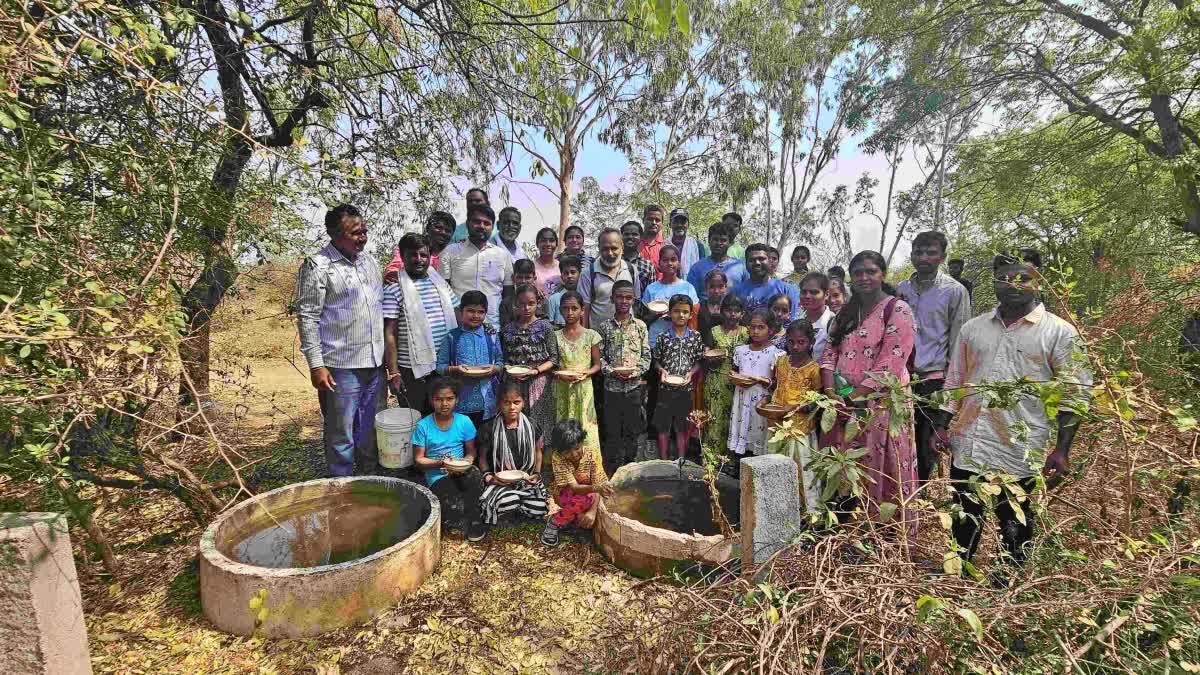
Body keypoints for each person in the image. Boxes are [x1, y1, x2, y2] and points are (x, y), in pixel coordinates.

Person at [936, 252, 1090, 569]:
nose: (1013, 284)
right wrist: (941, 425)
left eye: (1023, 277)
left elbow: (1074, 394)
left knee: (1015, 516)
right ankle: (957, 569)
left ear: (1038, 280)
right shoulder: (973, 329)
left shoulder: (1060, 333)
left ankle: (1010, 578)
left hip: (1019, 445)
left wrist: (1062, 450)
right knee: (964, 510)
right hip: (970, 439)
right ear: (995, 279)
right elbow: (956, 380)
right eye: (1005, 277)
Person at [820, 251, 917, 543]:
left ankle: (888, 539)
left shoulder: (897, 310)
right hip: (843, 407)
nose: (863, 277)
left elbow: (891, 362)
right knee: (849, 469)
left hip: (882, 406)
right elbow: (829, 354)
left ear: (882, 274)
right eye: (858, 272)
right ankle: (850, 536)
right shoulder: (844, 314)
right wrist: (831, 394)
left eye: (870, 271)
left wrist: (856, 396)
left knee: (884, 469)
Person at [296, 204, 384, 477]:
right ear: (335, 235)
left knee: (369, 430)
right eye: (355, 233)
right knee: (341, 435)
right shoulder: (318, 266)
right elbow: (307, 317)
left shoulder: (370, 261)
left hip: (375, 364)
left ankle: (369, 481)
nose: (362, 238)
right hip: (340, 366)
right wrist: (316, 365)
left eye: (365, 231)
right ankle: (341, 489)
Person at [896, 231, 973, 482]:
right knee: (900, 441)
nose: (924, 258)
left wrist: (951, 392)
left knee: (926, 444)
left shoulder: (955, 291)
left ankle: (917, 499)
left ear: (942, 257)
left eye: (931, 253)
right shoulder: (902, 289)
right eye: (919, 252)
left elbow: (958, 344)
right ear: (911, 255)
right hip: (901, 380)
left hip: (934, 378)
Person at [383, 232, 460, 415]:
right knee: (417, 418)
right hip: (412, 370)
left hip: (442, 365)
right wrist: (394, 373)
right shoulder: (393, 289)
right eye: (413, 255)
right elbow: (389, 333)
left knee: (443, 417)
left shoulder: (441, 285)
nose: (419, 260)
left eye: (423, 255)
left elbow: (458, 316)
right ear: (403, 257)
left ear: (430, 256)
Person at [412, 378, 487, 541]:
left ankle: (474, 519)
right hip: (437, 475)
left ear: (456, 400)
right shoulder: (423, 426)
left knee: (473, 475)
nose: (444, 404)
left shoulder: (464, 422)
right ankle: (457, 516)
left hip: (461, 471)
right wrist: (441, 463)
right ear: (432, 400)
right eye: (439, 399)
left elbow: (471, 452)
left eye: (449, 399)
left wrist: (463, 463)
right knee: (453, 507)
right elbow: (418, 460)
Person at [767, 319, 824, 513]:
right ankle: (778, 508)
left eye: (801, 342)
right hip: (776, 425)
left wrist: (793, 407)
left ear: (811, 343)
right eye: (791, 342)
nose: (796, 346)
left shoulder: (813, 369)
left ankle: (807, 513)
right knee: (776, 466)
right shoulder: (782, 361)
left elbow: (816, 401)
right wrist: (764, 401)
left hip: (800, 430)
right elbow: (775, 386)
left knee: (802, 471)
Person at [597, 280, 651, 473]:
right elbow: (599, 359)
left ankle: (630, 469)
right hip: (612, 388)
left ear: (634, 300)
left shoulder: (640, 327)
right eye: (619, 297)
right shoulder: (604, 328)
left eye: (628, 297)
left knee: (632, 430)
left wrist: (635, 372)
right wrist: (612, 371)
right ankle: (612, 470)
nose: (624, 301)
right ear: (612, 299)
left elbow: (646, 356)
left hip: (634, 389)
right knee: (612, 431)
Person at [477, 384, 551, 526]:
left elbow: (537, 451)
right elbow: (482, 457)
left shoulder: (531, 425)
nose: (512, 407)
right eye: (507, 402)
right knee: (508, 501)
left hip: (526, 479)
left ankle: (520, 506)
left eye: (516, 402)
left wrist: (536, 473)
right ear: (500, 404)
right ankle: (512, 506)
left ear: (523, 403)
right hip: (501, 481)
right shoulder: (489, 428)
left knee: (540, 508)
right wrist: (489, 477)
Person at [439, 203, 513, 330]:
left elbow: (508, 295)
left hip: (493, 329)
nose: (482, 226)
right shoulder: (450, 252)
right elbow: (443, 292)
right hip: (458, 328)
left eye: (487, 223)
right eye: (477, 222)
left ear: (492, 227)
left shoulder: (503, 255)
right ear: (468, 224)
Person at [436, 291, 503, 428]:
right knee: (464, 440)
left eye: (481, 312)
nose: (476, 316)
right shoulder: (452, 337)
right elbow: (440, 366)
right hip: (461, 402)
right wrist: (455, 370)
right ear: (461, 311)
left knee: (484, 441)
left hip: (487, 402)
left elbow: (500, 361)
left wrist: (494, 369)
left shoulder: (491, 336)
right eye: (471, 311)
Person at [541, 420, 612, 547]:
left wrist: (592, 512)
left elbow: (600, 483)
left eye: (577, 448)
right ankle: (555, 521)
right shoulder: (558, 457)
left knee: (600, 498)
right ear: (559, 451)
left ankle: (572, 518)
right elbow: (574, 488)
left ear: (582, 442)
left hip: (590, 492)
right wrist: (597, 490)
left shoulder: (592, 454)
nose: (574, 455)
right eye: (567, 452)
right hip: (564, 493)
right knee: (587, 499)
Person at [499, 284, 558, 434]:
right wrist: (507, 368)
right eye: (522, 304)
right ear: (515, 305)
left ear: (538, 303)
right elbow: (505, 357)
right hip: (514, 383)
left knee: (540, 426)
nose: (526, 308)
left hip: (539, 383)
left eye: (531, 303)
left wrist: (536, 371)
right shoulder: (508, 329)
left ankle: (540, 456)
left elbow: (553, 358)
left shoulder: (545, 327)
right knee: (516, 424)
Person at [652, 294, 705, 460]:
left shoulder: (695, 337)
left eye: (685, 312)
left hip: (685, 390)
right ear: (669, 313)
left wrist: (691, 373)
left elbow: (699, 361)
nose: (680, 315)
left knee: (682, 428)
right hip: (665, 390)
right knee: (663, 427)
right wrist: (662, 371)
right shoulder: (663, 337)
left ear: (690, 315)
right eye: (676, 311)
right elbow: (656, 361)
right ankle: (664, 461)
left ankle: (681, 460)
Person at [553, 291, 603, 462]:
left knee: (586, 425)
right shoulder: (555, 336)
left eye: (574, 308)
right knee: (564, 425)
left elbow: (597, 365)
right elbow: (553, 364)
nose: (570, 313)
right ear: (560, 310)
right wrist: (559, 374)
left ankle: (589, 467)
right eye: (566, 308)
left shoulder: (591, 335)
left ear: (583, 310)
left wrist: (585, 373)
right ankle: (564, 468)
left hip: (583, 388)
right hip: (563, 388)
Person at [700, 294, 748, 465]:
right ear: (722, 311)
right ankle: (710, 459)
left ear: (742, 313)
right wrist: (711, 357)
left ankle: (730, 462)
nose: (732, 315)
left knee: (734, 420)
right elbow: (705, 353)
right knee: (714, 419)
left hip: (738, 383)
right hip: (716, 381)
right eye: (729, 310)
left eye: (737, 311)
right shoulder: (714, 331)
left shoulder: (746, 333)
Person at [729, 310, 784, 457]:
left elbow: (778, 384)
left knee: (759, 431)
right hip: (742, 397)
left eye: (761, 327)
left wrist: (761, 381)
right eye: (752, 327)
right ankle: (740, 463)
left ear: (771, 329)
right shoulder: (740, 351)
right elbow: (734, 372)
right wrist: (735, 378)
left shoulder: (776, 354)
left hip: (762, 401)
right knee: (743, 427)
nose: (755, 331)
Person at [578, 228, 641, 328]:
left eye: (614, 248)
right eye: (605, 249)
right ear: (599, 248)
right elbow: (584, 309)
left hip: (627, 336)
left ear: (622, 247)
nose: (610, 253)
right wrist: (586, 339)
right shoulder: (588, 273)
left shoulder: (631, 270)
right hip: (598, 337)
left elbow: (636, 302)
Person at [643, 244, 700, 346]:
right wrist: (656, 315)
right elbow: (644, 319)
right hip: (656, 339)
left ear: (679, 263)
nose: (669, 263)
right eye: (665, 260)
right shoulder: (651, 289)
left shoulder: (687, 288)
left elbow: (693, 317)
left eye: (673, 260)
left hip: (682, 341)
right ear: (659, 263)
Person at [732, 244, 800, 322]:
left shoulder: (787, 290)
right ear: (746, 264)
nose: (757, 263)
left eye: (761, 259)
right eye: (751, 260)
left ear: (769, 261)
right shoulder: (736, 292)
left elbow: (792, 321)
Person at [385, 211, 456, 282]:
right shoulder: (411, 245)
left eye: (448, 231)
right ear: (428, 228)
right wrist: (392, 275)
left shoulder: (454, 254)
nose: (443, 232)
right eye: (438, 227)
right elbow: (395, 266)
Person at [687, 222, 748, 299]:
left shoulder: (739, 267)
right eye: (715, 239)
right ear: (709, 241)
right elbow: (691, 298)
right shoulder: (697, 268)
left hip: (732, 310)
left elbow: (747, 293)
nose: (719, 243)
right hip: (704, 310)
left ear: (729, 243)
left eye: (723, 240)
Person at [796, 272, 836, 361]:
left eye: (814, 292)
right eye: (804, 292)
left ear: (826, 294)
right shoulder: (797, 321)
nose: (807, 296)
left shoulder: (834, 323)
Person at [498, 259, 548, 325]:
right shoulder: (506, 303)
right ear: (513, 278)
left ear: (534, 278)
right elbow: (505, 328)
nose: (523, 281)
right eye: (520, 277)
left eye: (528, 277)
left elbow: (546, 325)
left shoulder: (542, 300)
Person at [668, 208, 707, 281]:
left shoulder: (697, 245)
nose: (679, 225)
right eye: (676, 222)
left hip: (690, 288)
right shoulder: (664, 244)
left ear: (688, 225)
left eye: (683, 222)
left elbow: (702, 270)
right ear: (670, 224)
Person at [620, 220, 658, 292]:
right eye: (626, 234)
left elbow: (651, 293)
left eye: (634, 234)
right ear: (621, 236)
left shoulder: (648, 266)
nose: (630, 237)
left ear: (641, 237)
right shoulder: (615, 262)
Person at [545, 255, 582, 327]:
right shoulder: (554, 299)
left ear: (580, 274)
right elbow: (550, 324)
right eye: (566, 273)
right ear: (561, 276)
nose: (569, 276)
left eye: (573, 272)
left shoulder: (585, 298)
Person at [696, 269, 730, 345]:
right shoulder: (698, 309)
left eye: (720, 286)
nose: (716, 291)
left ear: (726, 287)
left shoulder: (732, 309)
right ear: (706, 288)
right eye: (712, 287)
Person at [533, 228, 561, 293]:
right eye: (543, 240)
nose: (548, 244)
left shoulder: (561, 267)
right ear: (537, 244)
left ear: (556, 244)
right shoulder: (531, 267)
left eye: (551, 240)